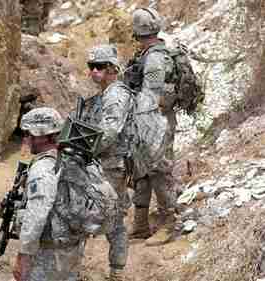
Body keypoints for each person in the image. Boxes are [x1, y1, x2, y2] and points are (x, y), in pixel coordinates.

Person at [13, 107, 85, 281]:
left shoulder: (43, 168)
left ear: (44, 136)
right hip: (71, 245)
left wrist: (24, 255)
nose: (26, 139)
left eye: (29, 134)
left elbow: (37, 215)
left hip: (49, 250)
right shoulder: (71, 158)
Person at [125, 7, 177, 246]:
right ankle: (141, 225)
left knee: (160, 171)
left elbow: (151, 96)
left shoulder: (155, 58)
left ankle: (169, 225)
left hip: (155, 122)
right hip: (146, 121)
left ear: (137, 31)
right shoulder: (147, 54)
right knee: (141, 171)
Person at [84, 44, 131, 281]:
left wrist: (85, 149)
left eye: (99, 66)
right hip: (99, 163)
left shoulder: (116, 95)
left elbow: (109, 132)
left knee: (113, 218)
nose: (94, 71)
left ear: (112, 68)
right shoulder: (102, 95)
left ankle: (117, 271)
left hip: (111, 166)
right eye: (91, 66)